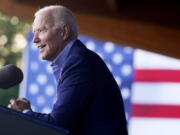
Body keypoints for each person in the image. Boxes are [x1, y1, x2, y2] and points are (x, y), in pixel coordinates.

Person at [8, 5, 128, 135]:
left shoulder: (79, 62)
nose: (35, 40)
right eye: (34, 32)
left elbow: (58, 126)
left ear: (64, 32)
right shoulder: (76, 60)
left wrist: (24, 113)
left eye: (41, 30)